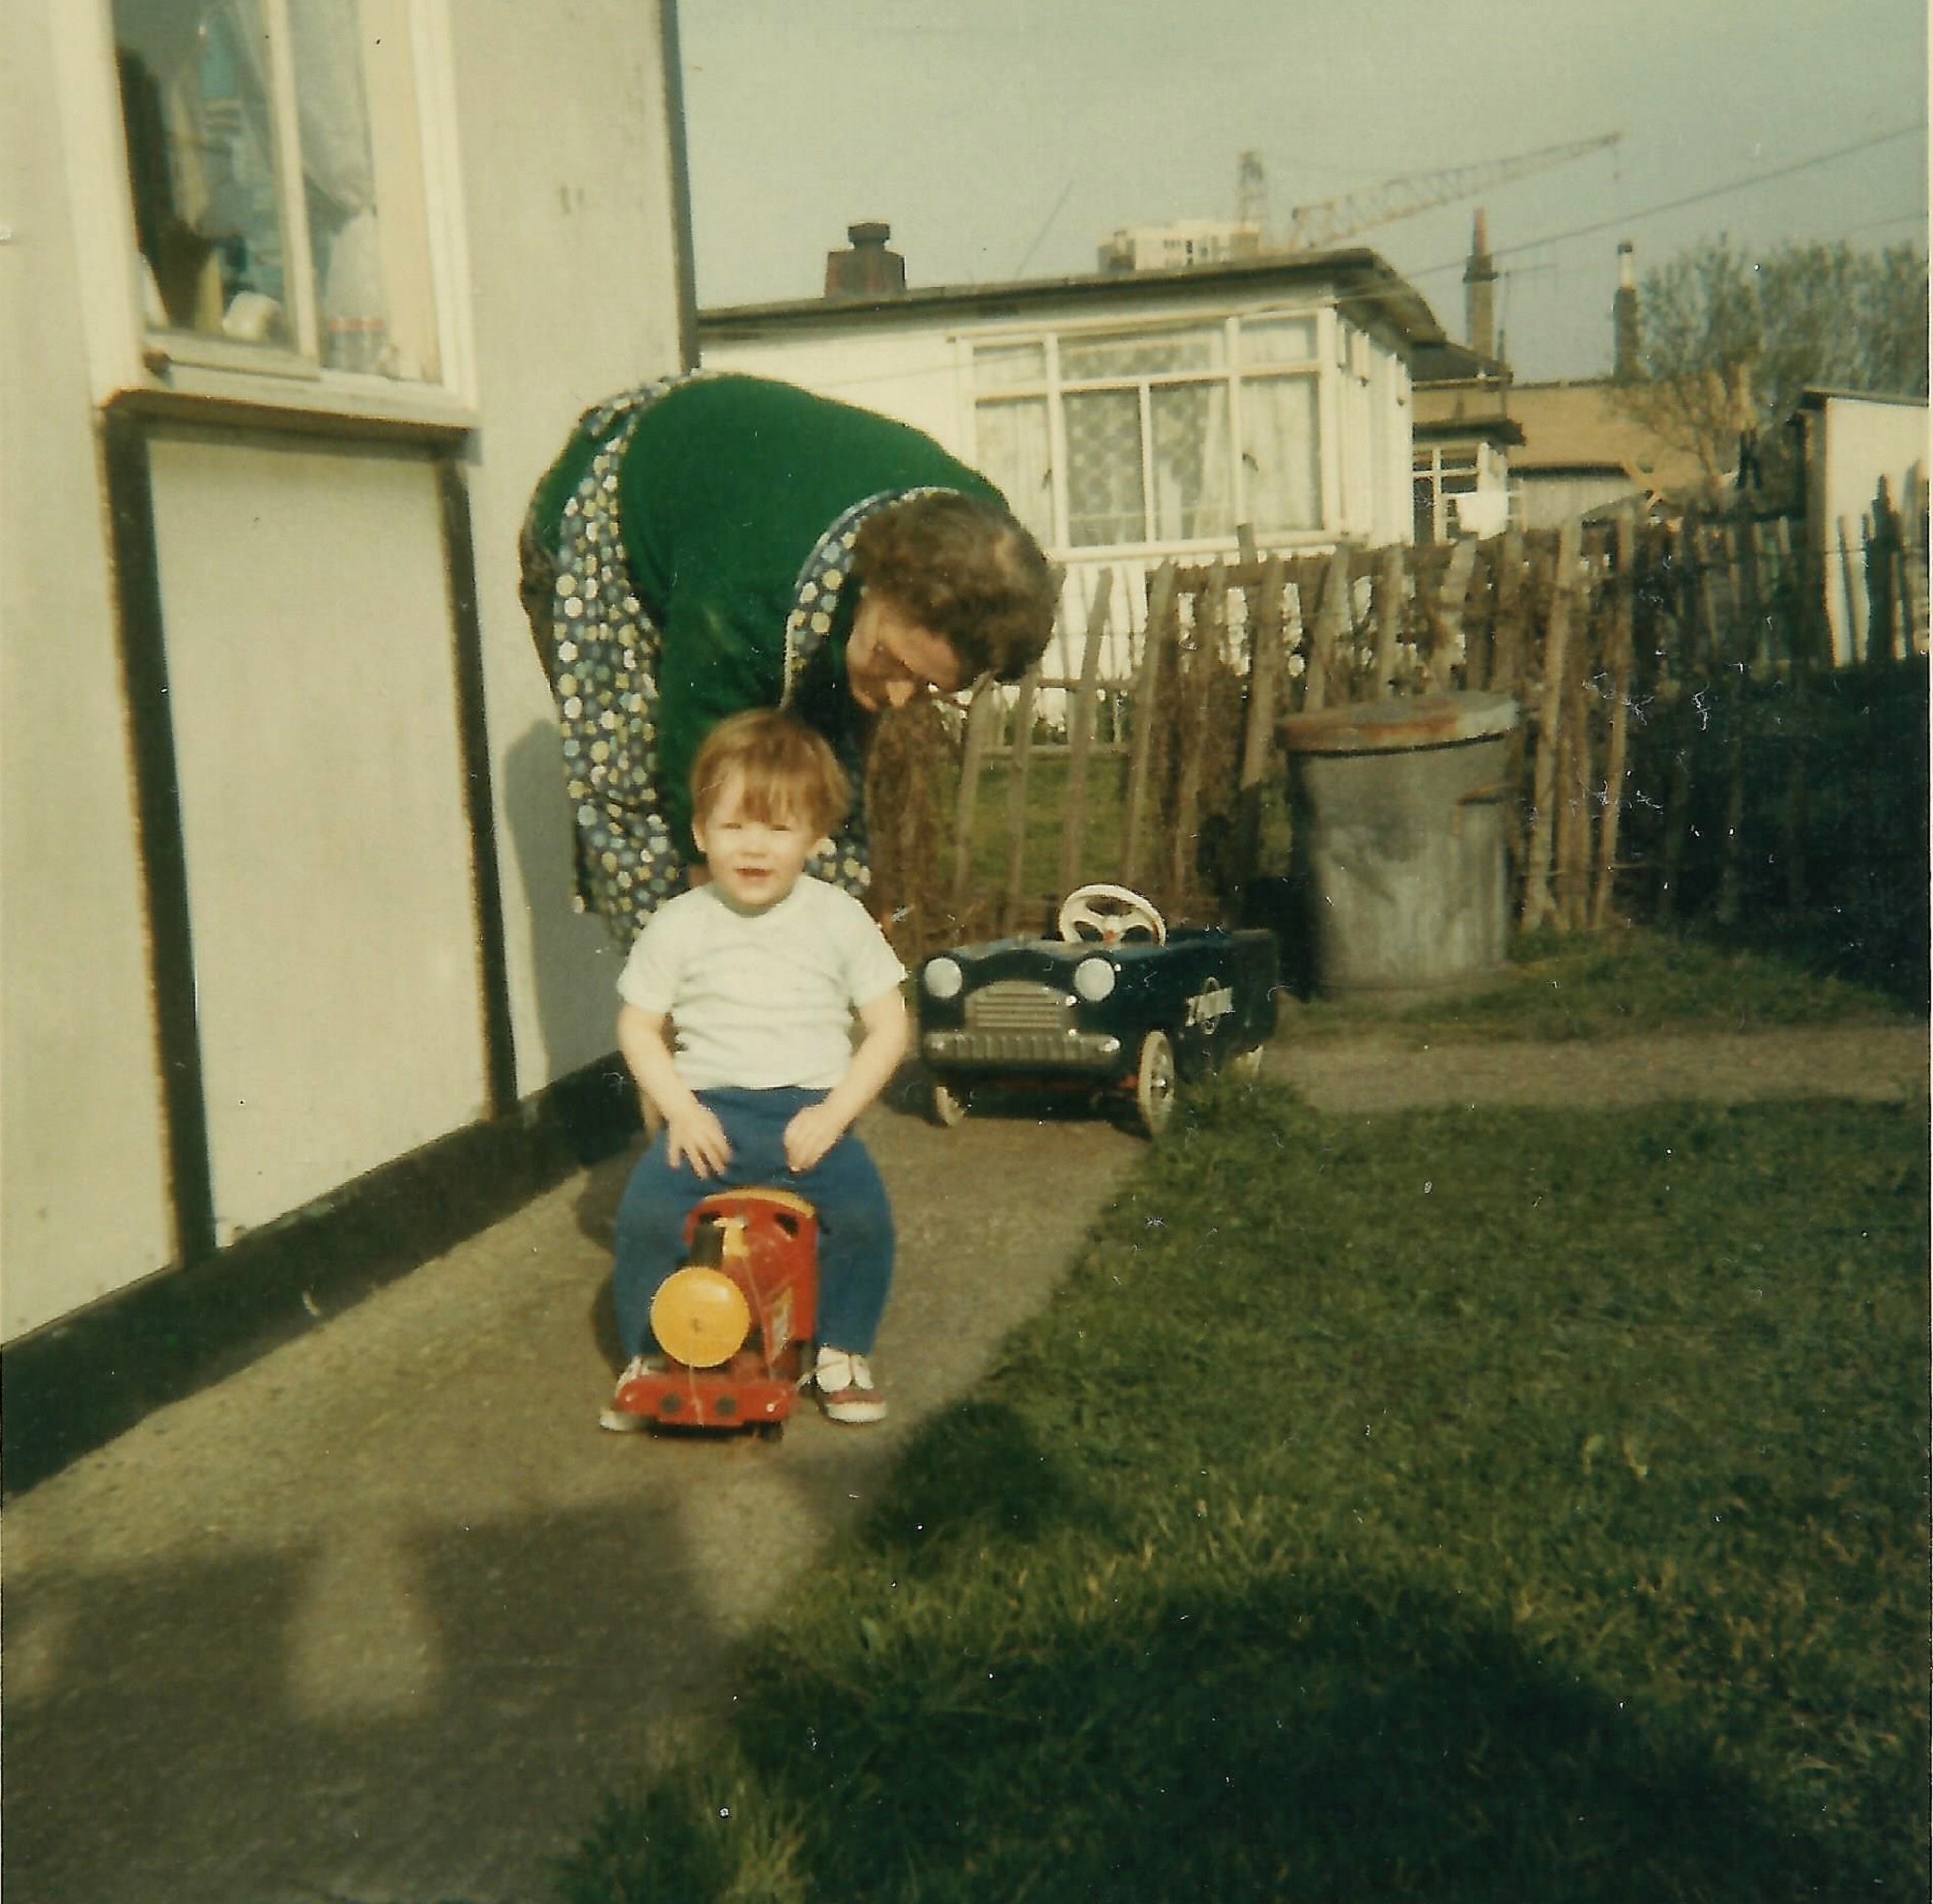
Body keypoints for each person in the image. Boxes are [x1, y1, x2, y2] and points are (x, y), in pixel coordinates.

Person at [519, 370, 1059, 946]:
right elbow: (697, 773)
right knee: (663, 830)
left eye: (928, 685)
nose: (900, 698)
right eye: (892, 660)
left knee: (815, 813)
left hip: (741, 499)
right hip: (615, 513)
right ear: (875, 582)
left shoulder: (987, 548)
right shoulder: (752, 595)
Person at [601, 708, 909, 1428]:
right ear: (702, 833)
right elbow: (638, 1025)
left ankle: (842, 1349)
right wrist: (679, 1108)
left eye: (778, 828)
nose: (754, 847)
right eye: (735, 826)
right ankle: (651, 1355)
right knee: (647, 1213)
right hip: (711, 1115)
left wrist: (835, 1114)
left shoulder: (838, 919)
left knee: (864, 1216)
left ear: (815, 837)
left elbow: (890, 1025)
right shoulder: (680, 922)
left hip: (811, 1117)